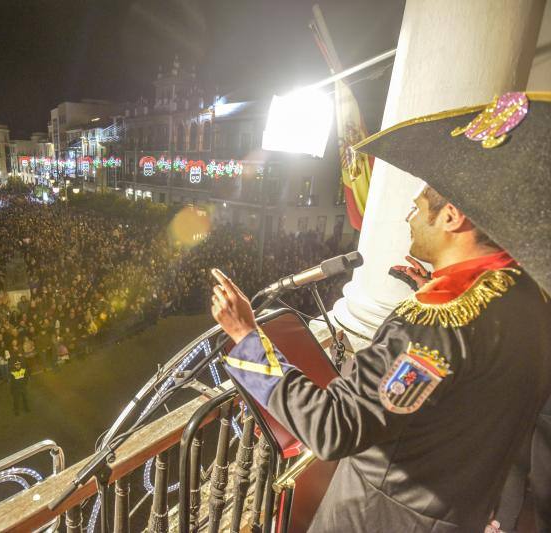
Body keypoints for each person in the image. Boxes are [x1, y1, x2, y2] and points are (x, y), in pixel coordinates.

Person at [211, 93, 551, 531]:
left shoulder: (436, 322)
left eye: (420, 203)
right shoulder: (527, 297)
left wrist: (247, 339)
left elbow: (333, 425)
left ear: (452, 217)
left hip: (380, 518)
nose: (409, 214)